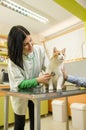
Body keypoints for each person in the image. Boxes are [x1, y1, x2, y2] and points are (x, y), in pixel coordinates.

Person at [7, 25, 51, 130]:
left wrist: (53, 72)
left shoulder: (39, 50)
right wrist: (38, 80)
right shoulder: (13, 61)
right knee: (19, 123)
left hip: (35, 92)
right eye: (25, 44)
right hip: (20, 94)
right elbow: (20, 84)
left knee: (35, 121)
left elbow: (49, 68)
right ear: (17, 46)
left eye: (31, 40)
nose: (31, 45)